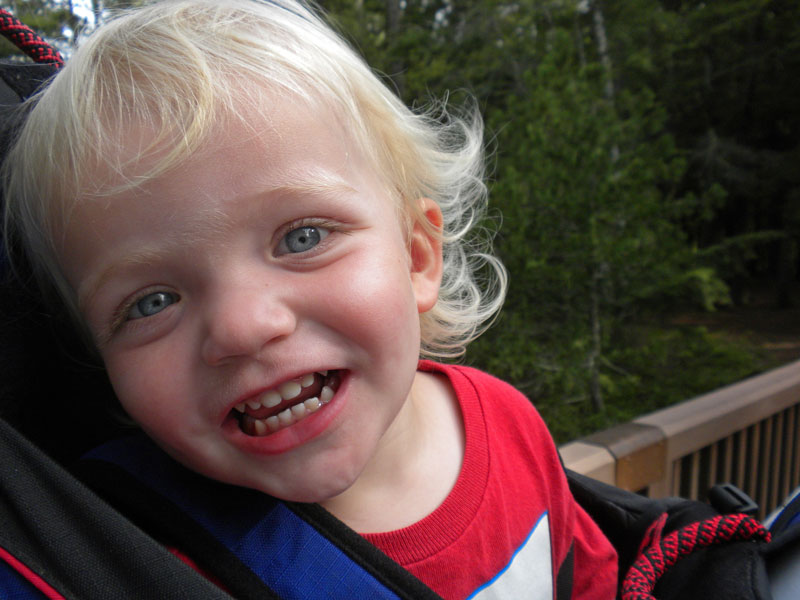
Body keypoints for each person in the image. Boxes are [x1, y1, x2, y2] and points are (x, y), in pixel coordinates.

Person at [1, 1, 617, 598]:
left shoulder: (510, 425)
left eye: (303, 237)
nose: (243, 327)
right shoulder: (127, 549)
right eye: (152, 301)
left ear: (417, 256)